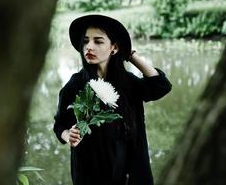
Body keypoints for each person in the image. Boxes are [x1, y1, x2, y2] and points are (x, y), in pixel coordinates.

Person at [53, 14, 172, 185]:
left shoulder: (128, 82)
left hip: (130, 170)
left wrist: (130, 55)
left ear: (114, 48)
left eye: (98, 41)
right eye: (86, 41)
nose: (89, 47)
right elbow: (59, 124)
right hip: (89, 172)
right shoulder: (76, 84)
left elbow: (161, 86)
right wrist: (68, 135)